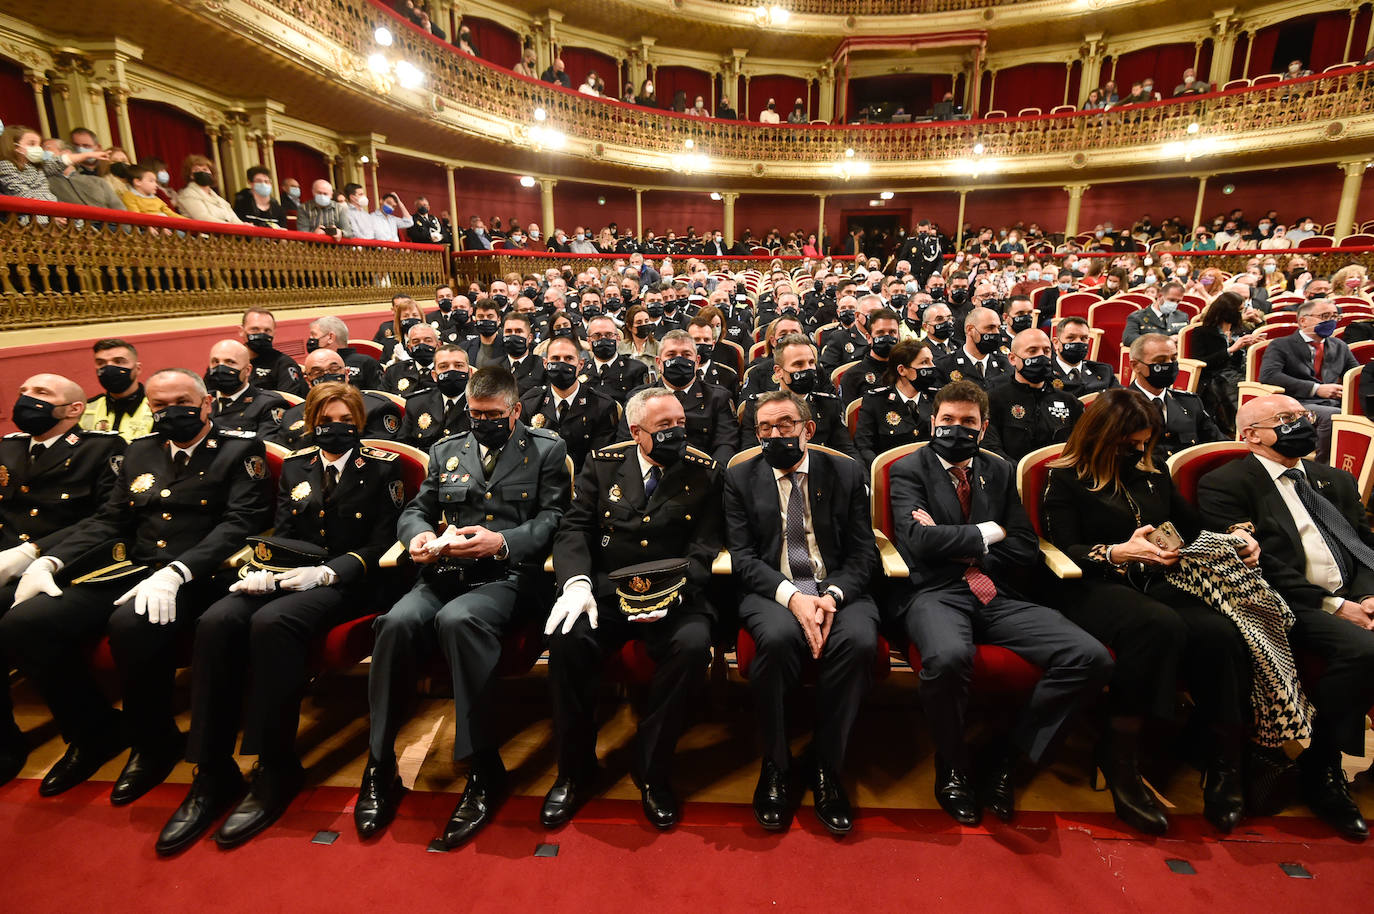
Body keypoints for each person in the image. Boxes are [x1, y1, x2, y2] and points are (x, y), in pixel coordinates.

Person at [0, 369, 273, 802]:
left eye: (181, 402)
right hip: (132, 566)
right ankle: (93, 732)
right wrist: (50, 559)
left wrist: (176, 572)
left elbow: (240, 523)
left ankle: (154, 741)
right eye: (159, 406)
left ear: (205, 403)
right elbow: (111, 519)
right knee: (23, 624)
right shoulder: (141, 451)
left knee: (133, 624)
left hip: (198, 573)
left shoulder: (238, 450)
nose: (170, 412)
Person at [156, 383, 404, 854]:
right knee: (218, 619)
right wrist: (264, 572)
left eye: (346, 419)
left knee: (273, 625)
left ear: (358, 422)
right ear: (311, 422)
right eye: (326, 419)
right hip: (295, 573)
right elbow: (285, 532)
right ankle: (211, 770)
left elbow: (380, 541)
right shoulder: (296, 466)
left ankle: (275, 765)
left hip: (352, 581)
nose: (337, 427)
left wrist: (329, 571)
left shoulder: (381, 469)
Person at [355, 368, 569, 845]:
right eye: (476, 415)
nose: (483, 422)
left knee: (459, 620)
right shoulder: (446, 449)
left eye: (493, 415)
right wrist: (421, 536)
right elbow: (415, 509)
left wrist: (502, 541)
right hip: (447, 571)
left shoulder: (547, 449)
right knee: (393, 624)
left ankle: (483, 765)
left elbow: (556, 517)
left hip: (508, 575)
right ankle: (380, 763)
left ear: (515, 410)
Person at [889, 380, 1112, 825]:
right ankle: (952, 764)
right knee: (948, 657)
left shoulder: (998, 468)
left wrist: (957, 541)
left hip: (998, 592)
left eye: (967, 423)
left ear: (984, 426)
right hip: (935, 592)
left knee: (1089, 658)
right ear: (932, 422)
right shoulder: (907, 469)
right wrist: (990, 533)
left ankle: (1009, 758)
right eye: (947, 421)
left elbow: (1026, 546)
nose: (956, 430)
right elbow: (916, 541)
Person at [1042, 388, 1259, 835]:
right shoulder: (1065, 478)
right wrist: (1118, 552)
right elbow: (1063, 549)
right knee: (1158, 626)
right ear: (1102, 436)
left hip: (1156, 581)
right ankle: (1121, 753)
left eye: (1146, 442)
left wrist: (1238, 535)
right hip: (1091, 584)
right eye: (1130, 444)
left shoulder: (1153, 474)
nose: (1140, 451)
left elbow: (1195, 528)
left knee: (1219, 631)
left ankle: (1222, 760)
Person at [541, 388, 723, 829]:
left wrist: (681, 587)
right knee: (567, 640)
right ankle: (574, 769)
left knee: (693, 646)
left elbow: (706, 542)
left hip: (676, 593)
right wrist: (577, 582)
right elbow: (576, 527)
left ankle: (652, 769)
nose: (677, 433)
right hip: (609, 592)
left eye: (681, 424)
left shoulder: (702, 471)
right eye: (665, 427)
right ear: (636, 431)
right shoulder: (603, 465)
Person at [1197, 394, 1374, 840]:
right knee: (1363, 650)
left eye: (1303, 416)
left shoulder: (1334, 479)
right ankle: (1323, 766)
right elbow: (1257, 565)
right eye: (1286, 419)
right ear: (1250, 435)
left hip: (1354, 595)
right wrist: (1336, 606)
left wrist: (1369, 595)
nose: (1301, 424)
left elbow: (1365, 545)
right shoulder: (1226, 483)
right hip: (1288, 604)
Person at [724, 392, 879, 834]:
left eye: (786, 424)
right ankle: (776, 764)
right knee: (775, 640)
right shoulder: (740, 477)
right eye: (765, 428)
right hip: (772, 588)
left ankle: (829, 766)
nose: (776, 435)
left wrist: (831, 596)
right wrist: (792, 596)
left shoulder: (845, 471)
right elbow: (743, 556)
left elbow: (863, 552)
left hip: (834, 587)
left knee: (859, 641)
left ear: (808, 429)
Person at [0, 374, 125, 784]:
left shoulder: (102, 449)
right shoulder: (9, 448)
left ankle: (93, 731)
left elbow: (108, 518)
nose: (27, 399)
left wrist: (33, 553)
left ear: (74, 409)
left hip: (69, 563)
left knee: (25, 624)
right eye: (24, 392)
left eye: (41, 394)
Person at [1258, 298, 1357, 464]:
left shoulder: (1339, 345)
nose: (1331, 321)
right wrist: (1316, 389)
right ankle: (1322, 468)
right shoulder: (1281, 345)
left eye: (1335, 316)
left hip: (1333, 402)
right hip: (1295, 405)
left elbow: (1355, 375)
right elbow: (1269, 375)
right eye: (1325, 316)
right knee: (1334, 416)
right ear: (1303, 321)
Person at [619, 330, 738, 465]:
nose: (679, 360)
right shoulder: (638, 398)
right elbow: (626, 443)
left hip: (701, 472)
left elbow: (726, 445)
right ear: (659, 362)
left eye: (686, 355)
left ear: (697, 361)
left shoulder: (718, 397)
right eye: (671, 355)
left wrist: (711, 475)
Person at [740, 334, 855, 457]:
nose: (808, 369)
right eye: (798, 364)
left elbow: (847, 451)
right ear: (779, 372)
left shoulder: (830, 405)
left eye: (811, 363)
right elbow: (749, 454)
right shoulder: (756, 406)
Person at [268, 348, 402, 449]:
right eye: (317, 372)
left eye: (334, 370)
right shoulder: (291, 416)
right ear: (308, 381)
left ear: (347, 374)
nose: (327, 376)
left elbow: (376, 460)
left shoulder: (376, 408)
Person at [520, 334, 619, 470]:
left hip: (584, 483)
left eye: (568, 359)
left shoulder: (601, 405)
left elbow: (600, 461)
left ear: (580, 365)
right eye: (555, 358)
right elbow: (523, 453)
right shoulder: (530, 402)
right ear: (545, 363)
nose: (562, 363)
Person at [983, 329, 1084, 463]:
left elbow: (1082, 447)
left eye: (1046, 351)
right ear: (1012, 359)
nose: (1041, 356)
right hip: (1011, 478)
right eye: (1032, 351)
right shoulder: (993, 400)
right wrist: (1023, 474)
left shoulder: (1070, 402)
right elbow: (991, 450)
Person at [1125, 334, 1224, 462]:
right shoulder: (1119, 407)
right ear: (1135, 365)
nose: (1169, 365)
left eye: (1173, 359)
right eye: (1160, 361)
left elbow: (1218, 443)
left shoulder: (1190, 403)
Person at [854, 338, 941, 466]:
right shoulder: (875, 402)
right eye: (924, 362)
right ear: (902, 370)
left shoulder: (937, 398)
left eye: (931, 361)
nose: (932, 367)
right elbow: (864, 447)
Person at [1193, 292, 1260, 435]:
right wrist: (1231, 349)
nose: (1242, 313)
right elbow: (1201, 362)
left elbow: (1237, 362)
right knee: (1233, 384)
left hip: (1240, 371)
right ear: (1228, 311)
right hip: (1215, 375)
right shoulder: (1202, 332)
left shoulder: (1240, 330)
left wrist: (1248, 346)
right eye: (1239, 310)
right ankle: (1242, 429)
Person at [204, 340, 288, 438]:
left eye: (230, 362)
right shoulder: (204, 401)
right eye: (215, 362)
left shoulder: (268, 403)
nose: (221, 368)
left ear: (248, 370)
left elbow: (268, 448)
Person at [397, 344, 472, 449]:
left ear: (470, 373)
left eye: (458, 365)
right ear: (434, 375)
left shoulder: (482, 406)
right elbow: (404, 448)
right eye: (443, 366)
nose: (451, 371)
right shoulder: (416, 404)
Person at [80, 338, 155, 440]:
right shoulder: (86, 409)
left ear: (137, 369)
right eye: (101, 363)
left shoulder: (156, 407)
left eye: (119, 361)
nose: (109, 368)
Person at [936, 307, 1012, 390]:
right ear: (970, 329)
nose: (997, 333)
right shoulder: (944, 365)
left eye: (999, 328)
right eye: (990, 328)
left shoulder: (1005, 364)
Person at [583, 315, 649, 404]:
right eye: (597, 335)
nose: (603, 339)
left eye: (609, 335)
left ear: (618, 339)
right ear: (589, 341)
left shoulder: (637, 369)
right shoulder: (581, 371)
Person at [240, 308, 307, 397]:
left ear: (274, 333)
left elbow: (289, 401)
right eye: (254, 329)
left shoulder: (284, 363)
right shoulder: (233, 362)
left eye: (267, 330)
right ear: (241, 331)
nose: (262, 334)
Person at [307, 315, 384, 390]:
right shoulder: (313, 363)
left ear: (330, 337)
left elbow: (379, 396)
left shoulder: (366, 363)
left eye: (314, 335)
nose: (311, 340)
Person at [1051, 317, 1117, 396]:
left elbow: (1124, 400)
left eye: (1084, 338)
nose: (1078, 342)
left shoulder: (1104, 371)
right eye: (1071, 338)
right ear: (1056, 343)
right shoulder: (1046, 373)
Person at [177, 155, 244, 224]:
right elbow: (202, 217)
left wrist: (243, 226)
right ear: (191, 175)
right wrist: (230, 226)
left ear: (211, 173)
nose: (202, 172)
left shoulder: (218, 198)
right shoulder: (188, 194)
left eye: (205, 169)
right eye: (197, 170)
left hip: (227, 232)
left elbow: (232, 217)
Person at [384, 321, 441, 396]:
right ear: (409, 347)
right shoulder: (394, 372)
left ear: (438, 345)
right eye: (416, 341)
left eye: (428, 340)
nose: (421, 345)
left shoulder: (447, 370)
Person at [1122, 282, 1190, 343]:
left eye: (1178, 301)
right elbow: (1128, 339)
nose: (1174, 304)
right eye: (1171, 300)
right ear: (1160, 296)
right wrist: (1164, 340)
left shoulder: (1182, 316)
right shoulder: (1138, 316)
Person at [118, 165, 187, 219]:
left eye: (156, 181)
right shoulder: (129, 196)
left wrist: (189, 221)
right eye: (151, 181)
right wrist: (149, 226)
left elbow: (170, 214)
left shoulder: (156, 199)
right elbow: (136, 216)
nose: (156, 185)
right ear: (137, 182)